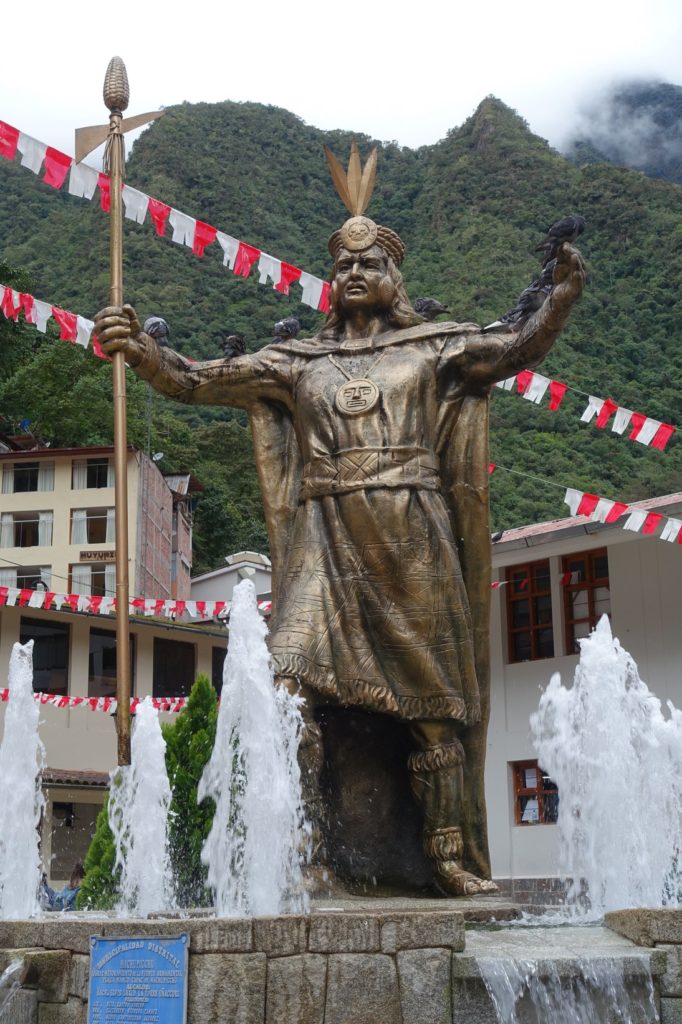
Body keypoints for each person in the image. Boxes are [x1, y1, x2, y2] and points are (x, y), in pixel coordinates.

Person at [95, 151, 585, 895]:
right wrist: (139, 350)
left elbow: (518, 346)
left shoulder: (434, 348)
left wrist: (561, 295)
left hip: (411, 538)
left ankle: (447, 856)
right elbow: (196, 379)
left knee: (433, 710)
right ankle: (306, 851)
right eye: (344, 264)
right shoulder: (297, 362)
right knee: (287, 686)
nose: (355, 272)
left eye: (370, 262)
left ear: (395, 277)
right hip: (322, 544)